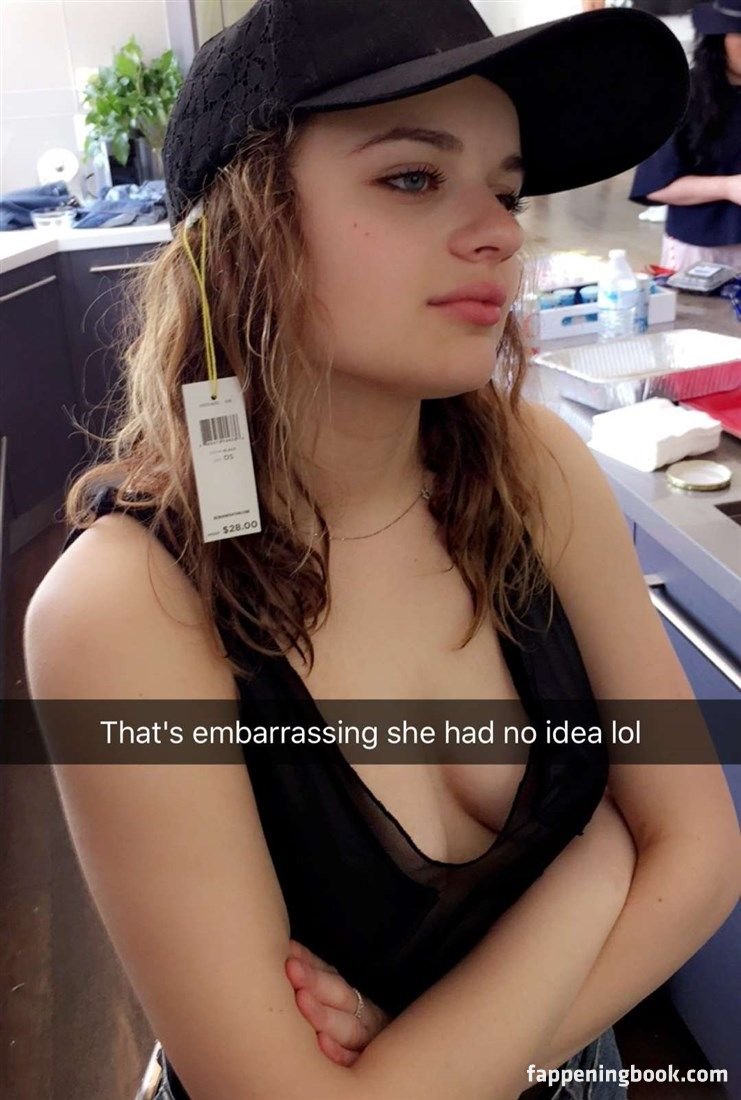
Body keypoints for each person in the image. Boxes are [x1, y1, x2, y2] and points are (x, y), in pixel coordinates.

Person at [23, 2, 738, 1099]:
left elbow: (702, 854)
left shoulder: (532, 469)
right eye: (413, 177)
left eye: (505, 191)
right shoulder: (123, 607)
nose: (500, 233)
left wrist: (428, 1064)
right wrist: (599, 858)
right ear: (240, 229)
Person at [629, 0, 741, 270]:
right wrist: (728, 187)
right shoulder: (682, 95)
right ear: (717, 39)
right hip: (701, 251)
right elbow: (655, 185)